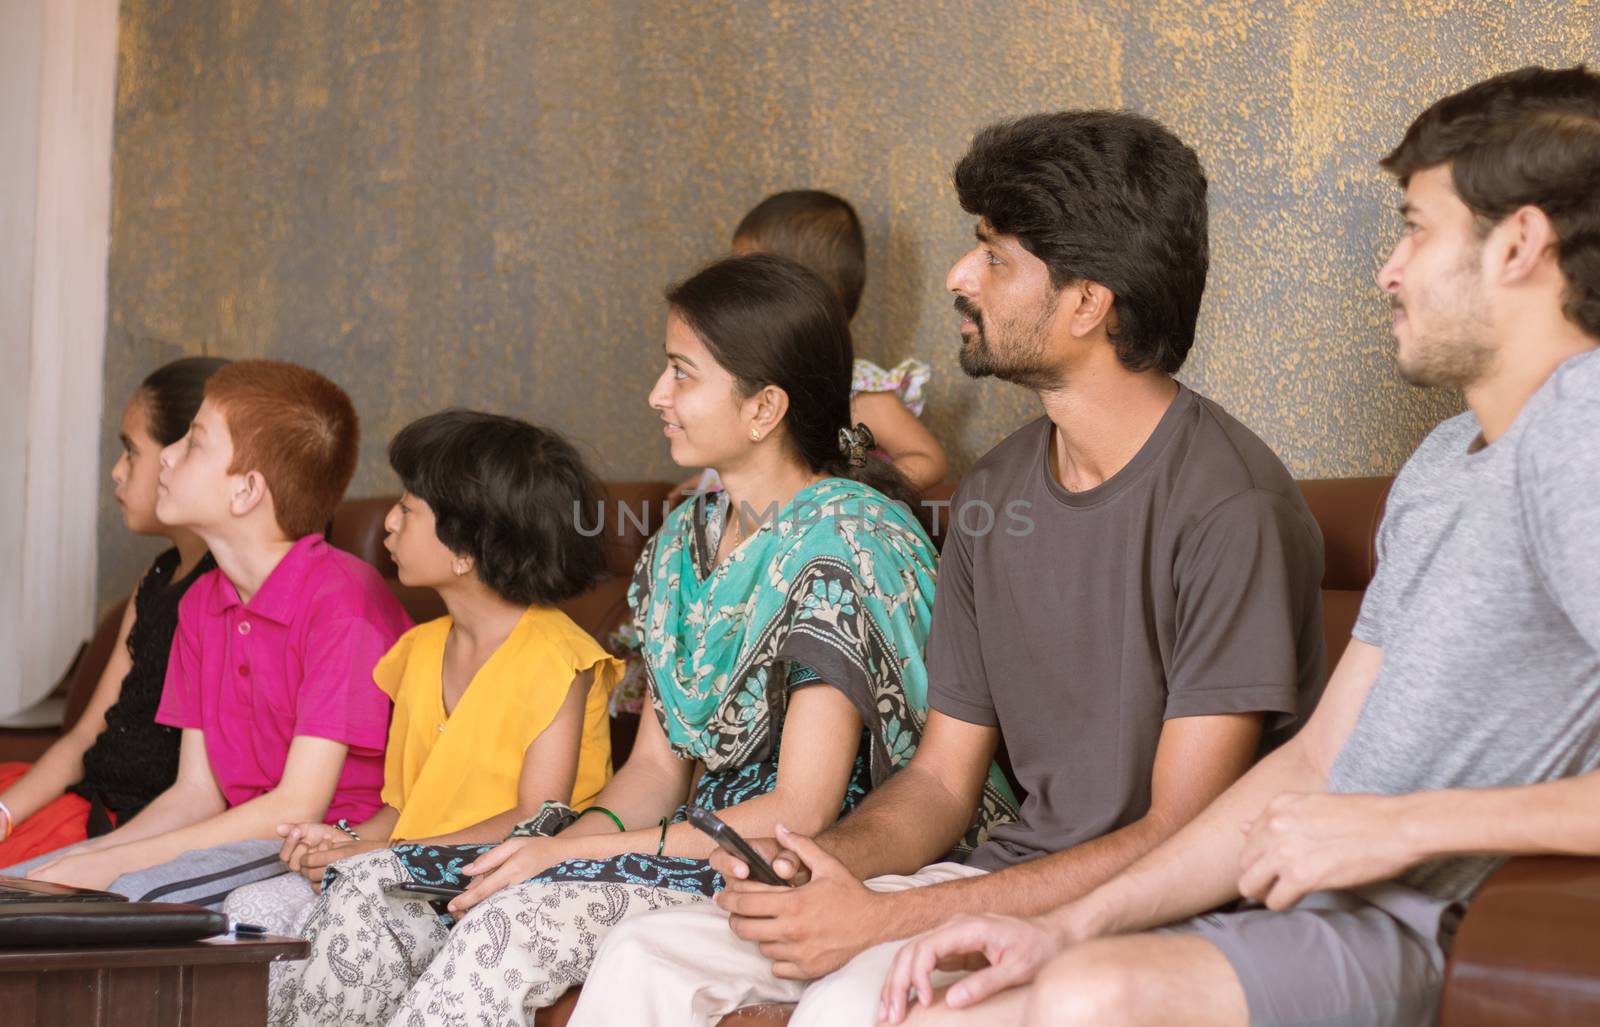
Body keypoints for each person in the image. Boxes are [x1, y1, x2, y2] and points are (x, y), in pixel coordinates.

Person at [869, 64, 1600, 1027]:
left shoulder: (1578, 431)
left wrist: (1396, 827)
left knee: (1082, 999)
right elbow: (1311, 763)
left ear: (1518, 244)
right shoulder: (1441, 463)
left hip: (1435, 926)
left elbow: (1337, 806)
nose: (1388, 267)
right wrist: (1068, 923)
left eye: (1418, 227)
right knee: (973, 999)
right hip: (1311, 905)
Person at [572, 110, 1326, 1027]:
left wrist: (885, 918)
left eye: (995, 257)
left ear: (1089, 302)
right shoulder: (995, 491)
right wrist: (823, 867)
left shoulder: (1229, 506)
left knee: (855, 1005)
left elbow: (1180, 835)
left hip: (1153, 912)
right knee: (644, 953)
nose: (958, 277)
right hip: (993, 877)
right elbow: (938, 782)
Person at [267, 254, 1013, 1026]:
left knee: (505, 926)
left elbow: (799, 810)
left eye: (682, 374)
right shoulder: (681, 542)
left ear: (763, 408)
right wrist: (548, 845)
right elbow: (655, 766)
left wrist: (566, 858)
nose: (657, 395)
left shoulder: (840, 544)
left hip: (762, 866)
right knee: (372, 886)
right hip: (666, 846)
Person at [13, 359, 411, 908]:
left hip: (318, 846)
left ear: (247, 490)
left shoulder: (343, 604)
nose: (169, 456)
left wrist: (117, 860)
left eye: (194, 443)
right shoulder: (203, 601)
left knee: (108, 896)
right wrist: (97, 853)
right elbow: (195, 793)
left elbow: (295, 808)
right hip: (236, 832)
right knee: (25, 887)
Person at [223, 410, 623, 940]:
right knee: (250, 907)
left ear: (464, 549)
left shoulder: (560, 657)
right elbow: (404, 809)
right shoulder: (417, 649)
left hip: (496, 884)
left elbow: (535, 818)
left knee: (351, 916)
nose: (388, 521)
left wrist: (382, 857)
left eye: (408, 509)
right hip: (400, 871)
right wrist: (342, 843)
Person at [0, 357, 227, 864]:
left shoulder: (226, 592)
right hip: (81, 797)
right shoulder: (156, 577)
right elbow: (86, 733)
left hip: (129, 826)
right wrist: (5, 811)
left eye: (131, 451)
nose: (117, 472)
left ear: (184, 456)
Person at [676, 189, 949, 496]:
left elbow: (929, 459)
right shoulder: (749, 382)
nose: (731, 295)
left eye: (748, 284)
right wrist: (711, 484)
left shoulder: (857, 393)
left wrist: (851, 490)